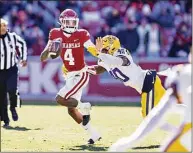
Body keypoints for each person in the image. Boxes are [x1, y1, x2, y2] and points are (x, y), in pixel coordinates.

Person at [40, 9, 101, 144]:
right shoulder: (55, 33)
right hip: (69, 75)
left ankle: (84, 106)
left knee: (60, 99)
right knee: (71, 111)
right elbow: (43, 57)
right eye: (68, 22)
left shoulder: (82, 33)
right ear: (61, 22)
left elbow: (91, 48)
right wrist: (50, 50)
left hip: (80, 73)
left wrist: (99, 51)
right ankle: (94, 134)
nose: (71, 24)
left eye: (73, 22)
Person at [108, 56, 191, 152]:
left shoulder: (182, 74)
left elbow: (158, 114)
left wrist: (131, 141)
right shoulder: (183, 74)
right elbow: (164, 109)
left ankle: (174, 129)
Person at [87, 35, 166, 118]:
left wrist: (98, 53)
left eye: (104, 49)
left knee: (149, 117)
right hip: (146, 84)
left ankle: (177, 129)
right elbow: (98, 69)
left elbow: (117, 61)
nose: (102, 51)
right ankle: (177, 128)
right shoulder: (105, 59)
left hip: (148, 80)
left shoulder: (121, 52)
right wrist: (83, 69)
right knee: (170, 105)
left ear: (112, 47)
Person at [0, 18, 27, 127]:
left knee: (12, 90)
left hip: (11, 68)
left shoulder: (13, 37)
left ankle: (13, 108)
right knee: (1, 96)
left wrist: (23, 58)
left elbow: (23, 44)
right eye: (0, 26)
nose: (2, 28)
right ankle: (6, 120)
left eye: (4, 26)